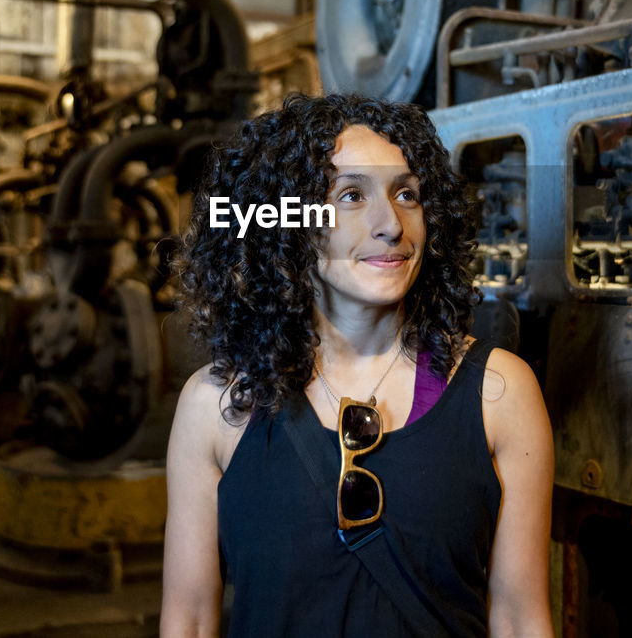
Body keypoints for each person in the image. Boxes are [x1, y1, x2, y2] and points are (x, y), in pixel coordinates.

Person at [161, 94, 554, 637]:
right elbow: (190, 621)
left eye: (407, 194)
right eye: (351, 195)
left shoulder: (501, 393)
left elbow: (519, 620)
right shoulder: (216, 406)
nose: (390, 224)